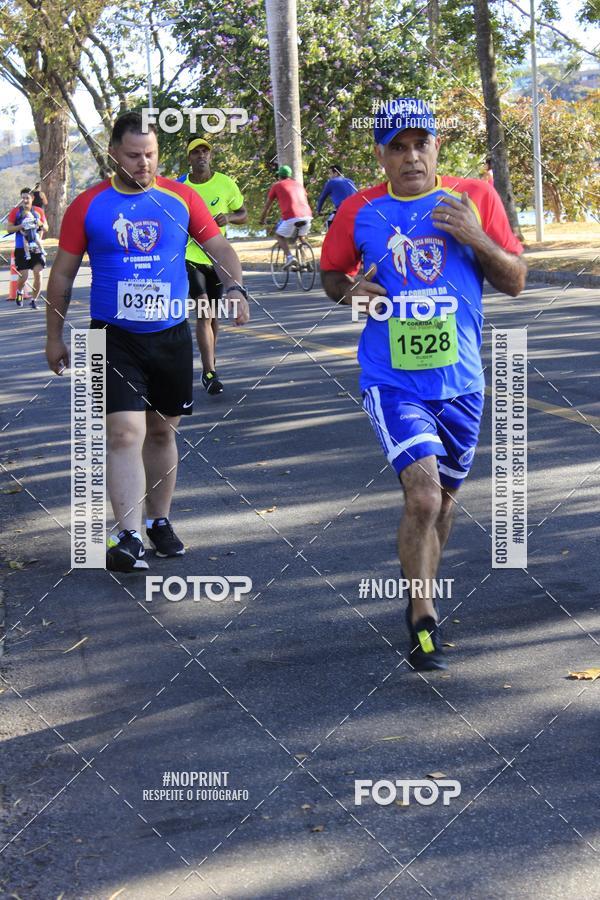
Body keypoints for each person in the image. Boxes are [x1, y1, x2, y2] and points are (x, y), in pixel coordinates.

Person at [320, 97, 526, 671]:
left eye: (421, 144)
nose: (411, 156)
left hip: (461, 379)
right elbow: (331, 277)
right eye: (398, 147)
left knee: (445, 504)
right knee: (424, 495)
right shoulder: (359, 209)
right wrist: (353, 293)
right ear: (381, 155)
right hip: (391, 380)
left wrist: (476, 236)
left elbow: (515, 282)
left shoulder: (474, 199)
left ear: (436, 146)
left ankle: (426, 588)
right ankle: (422, 614)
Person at [45, 112, 250, 573]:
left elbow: (219, 249)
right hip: (110, 337)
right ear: (114, 152)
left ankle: (159, 521)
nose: (144, 164)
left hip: (170, 335)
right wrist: (54, 336)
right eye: (134, 155)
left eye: (152, 155)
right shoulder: (88, 205)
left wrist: (234, 287)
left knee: (161, 431)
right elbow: (61, 273)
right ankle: (129, 534)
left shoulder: (181, 198)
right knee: (123, 433)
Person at [178, 137, 248, 395]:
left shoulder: (225, 183)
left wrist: (228, 217)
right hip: (190, 257)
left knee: (213, 316)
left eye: (205, 151)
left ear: (211, 155)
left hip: (216, 260)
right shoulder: (180, 186)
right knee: (204, 312)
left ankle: (210, 363)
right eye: (195, 152)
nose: (201, 156)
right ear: (189, 158)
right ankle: (209, 372)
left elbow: (243, 214)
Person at [259, 165, 312, 270]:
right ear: (289, 175)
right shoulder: (298, 185)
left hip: (292, 216)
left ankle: (289, 257)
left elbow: (267, 206)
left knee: (279, 236)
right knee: (301, 238)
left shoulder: (277, 186)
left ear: (279, 175)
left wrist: (262, 219)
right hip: (307, 216)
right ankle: (307, 261)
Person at [6, 188, 48, 309]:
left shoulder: (38, 211)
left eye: (27, 198)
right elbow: (9, 229)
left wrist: (37, 222)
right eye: (23, 198)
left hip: (36, 247)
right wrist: (21, 225)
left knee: (38, 274)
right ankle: (19, 292)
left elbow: (46, 228)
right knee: (23, 276)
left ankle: (34, 300)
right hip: (21, 247)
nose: (24, 200)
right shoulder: (15, 212)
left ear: (32, 198)